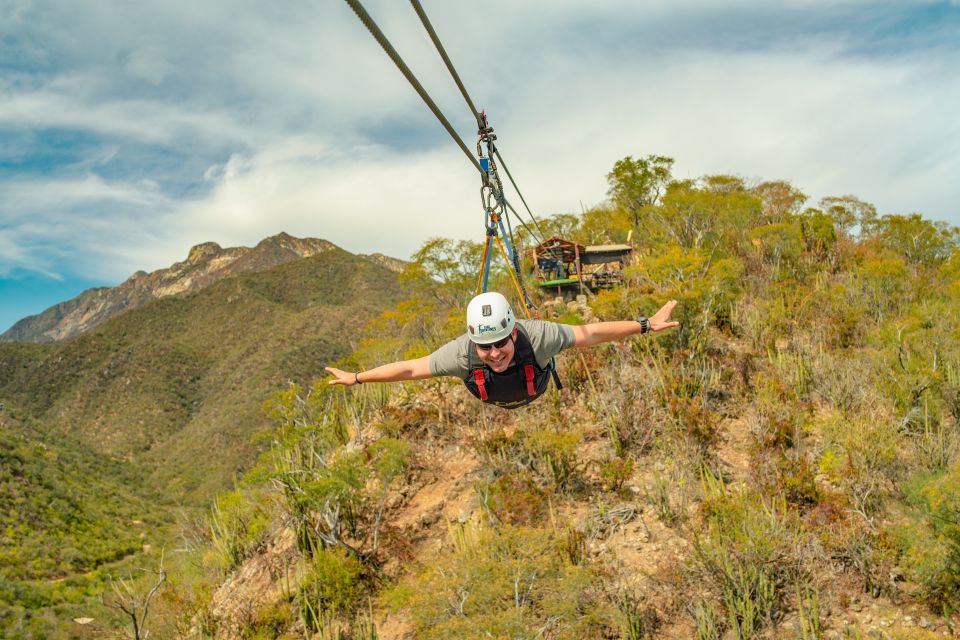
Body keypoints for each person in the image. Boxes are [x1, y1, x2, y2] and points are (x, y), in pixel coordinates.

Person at [326, 291, 679, 409]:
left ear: (513, 334)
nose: (494, 353)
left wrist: (645, 325)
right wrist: (357, 379)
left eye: (500, 343)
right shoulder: (461, 354)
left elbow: (590, 333)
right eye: (484, 347)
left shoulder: (538, 337)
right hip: (495, 396)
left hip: (534, 388)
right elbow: (409, 369)